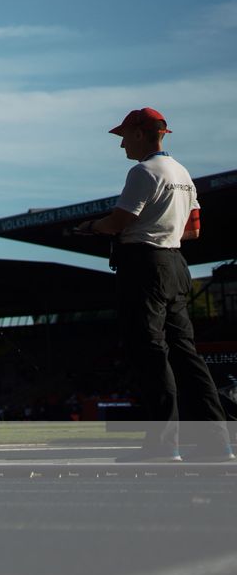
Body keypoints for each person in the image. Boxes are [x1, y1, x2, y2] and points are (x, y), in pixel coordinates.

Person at [78, 107, 233, 461]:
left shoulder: (142, 172)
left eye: (123, 138)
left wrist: (91, 228)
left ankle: (164, 446)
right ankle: (217, 441)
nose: (121, 147)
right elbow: (193, 231)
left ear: (138, 133)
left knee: (150, 352)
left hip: (143, 265)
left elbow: (120, 221)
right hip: (176, 264)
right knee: (187, 354)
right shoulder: (183, 174)